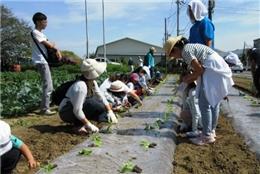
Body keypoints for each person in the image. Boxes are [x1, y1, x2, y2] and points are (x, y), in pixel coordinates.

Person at [164, 36, 234, 145]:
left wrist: (187, 79)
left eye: (173, 55)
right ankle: (210, 131)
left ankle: (206, 136)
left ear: (176, 50)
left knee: (204, 103)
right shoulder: (189, 48)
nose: (176, 58)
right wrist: (189, 78)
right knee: (213, 102)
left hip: (211, 68)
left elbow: (199, 70)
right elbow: (199, 69)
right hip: (216, 66)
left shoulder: (185, 52)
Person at [58, 59, 118, 134]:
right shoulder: (80, 86)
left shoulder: (93, 82)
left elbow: (101, 97)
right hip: (66, 112)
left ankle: (101, 122)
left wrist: (110, 111)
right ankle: (79, 126)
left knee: (100, 104)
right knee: (92, 102)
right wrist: (88, 124)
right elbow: (77, 110)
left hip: (76, 109)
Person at [31, 12, 62, 115]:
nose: (46, 23)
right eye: (44, 21)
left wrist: (54, 47)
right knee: (48, 85)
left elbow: (52, 44)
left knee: (48, 84)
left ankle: (45, 107)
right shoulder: (35, 32)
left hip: (44, 61)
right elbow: (50, 44)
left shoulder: (42, 34)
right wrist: (55, 48)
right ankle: (45, 109)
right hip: (41, 61)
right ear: (38, 22)